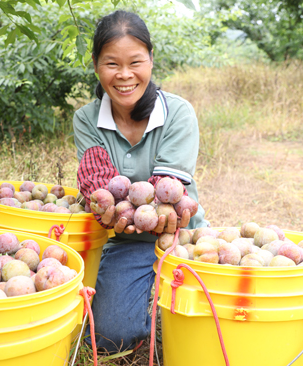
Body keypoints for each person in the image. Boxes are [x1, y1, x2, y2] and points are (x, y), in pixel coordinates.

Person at [73, 9, 209, 353]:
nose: (124, 75)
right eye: (111, 64)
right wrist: (104, 206)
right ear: (95, 65)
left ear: (151, 59)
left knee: (210, 321)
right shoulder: (86, 119)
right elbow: (99, 183)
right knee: (109, 337)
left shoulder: (178, 113)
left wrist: (125, 209)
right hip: (124, 237)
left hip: (181, 231)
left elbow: (167, 193)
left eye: (135, 62)